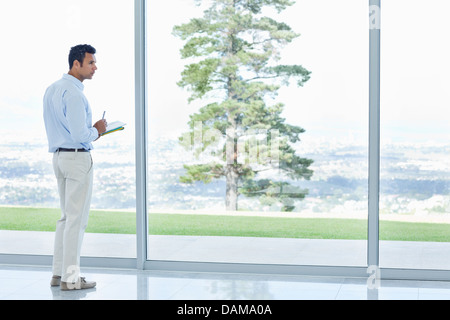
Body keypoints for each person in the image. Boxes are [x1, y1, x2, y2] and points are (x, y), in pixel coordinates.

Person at [43, 44, 107, 290]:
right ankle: (71, 279)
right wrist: (98, 130)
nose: (95, 67)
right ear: (76, 64)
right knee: (76, 221)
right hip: (78, 158)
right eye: (90, 63)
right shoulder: (74, 94)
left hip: (59, 158)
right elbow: (82, 134)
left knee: (65, 218)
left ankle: (58, 274)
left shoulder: (52, 90)